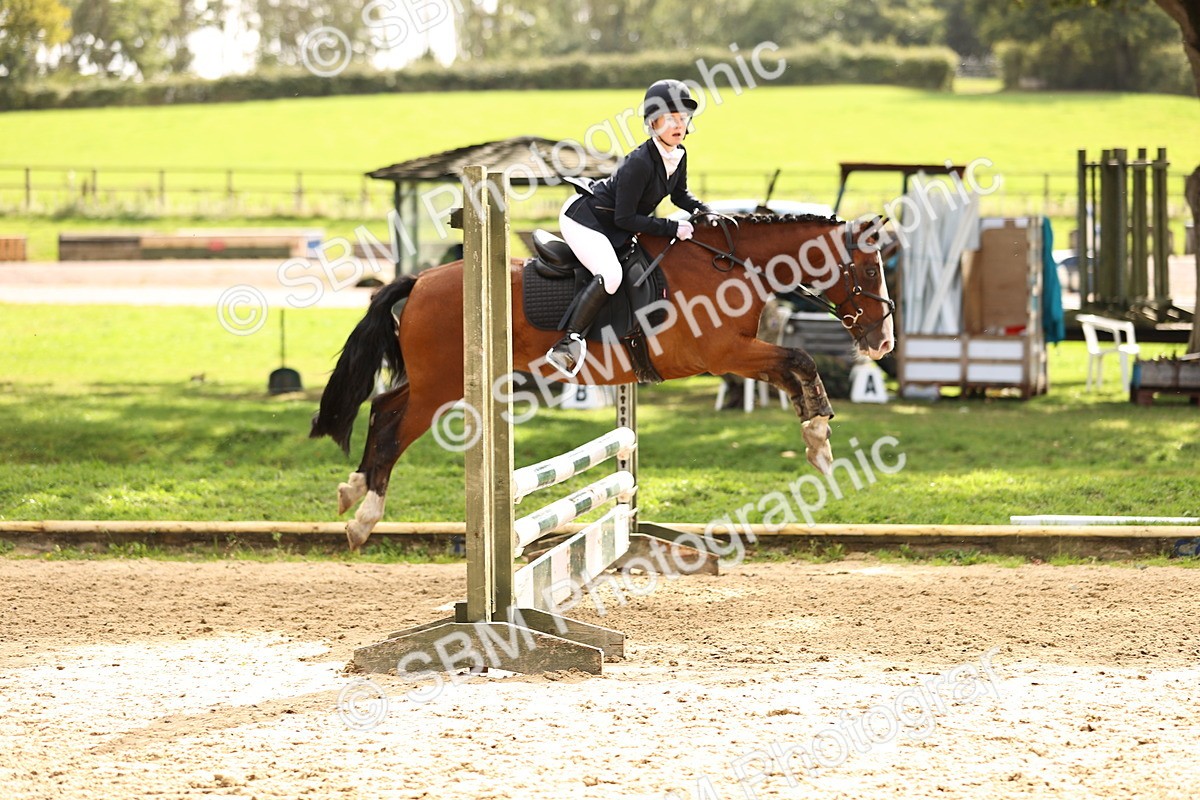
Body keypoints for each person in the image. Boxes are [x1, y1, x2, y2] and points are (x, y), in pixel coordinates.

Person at [545, 79, 710, 378]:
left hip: (613, 225)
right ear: (652, 122)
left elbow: (680, 195)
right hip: (586, 220)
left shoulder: (678, 154)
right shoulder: (639, 163)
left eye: (683, 118)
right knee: (611, 275)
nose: (679, 125)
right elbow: (625, 218)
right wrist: (672, 227)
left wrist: (707, 212)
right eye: (671, 118)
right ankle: (568, 342)